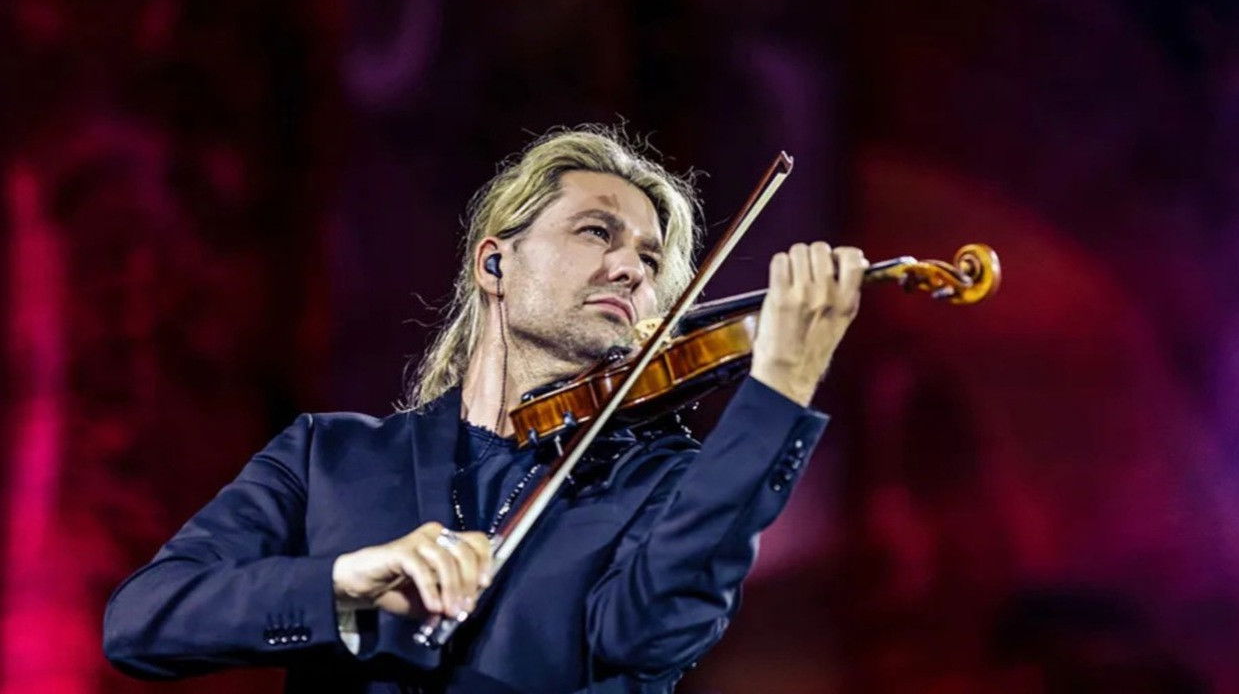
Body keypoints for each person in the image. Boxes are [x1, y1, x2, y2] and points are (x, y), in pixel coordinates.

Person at [102, 126, 868, 693]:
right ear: (495, 263)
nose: (632, 268)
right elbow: (143, 620)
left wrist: (779, 389)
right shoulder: (327, 458)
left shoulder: (662, 485)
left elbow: (651, 632)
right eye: (597, 231)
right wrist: (341, 582)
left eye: (650, 257)